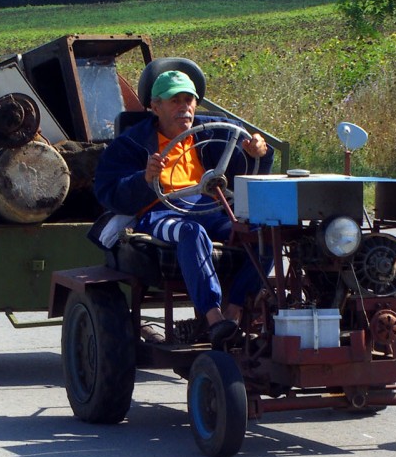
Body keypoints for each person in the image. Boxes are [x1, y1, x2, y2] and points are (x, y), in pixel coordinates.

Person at [94, 68, 273, 349]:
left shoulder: (214, 131)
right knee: (191, 232)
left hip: (210, 208)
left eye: (189, 101)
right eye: (175, 101)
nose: (184, 108)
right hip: (160, 211)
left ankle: (235, 310)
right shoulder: (130, 143)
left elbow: (246, 169)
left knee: (267, 230)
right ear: (156, 107)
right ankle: (214, 319)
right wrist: (144, 178)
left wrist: (255, 150)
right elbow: (108, 192)